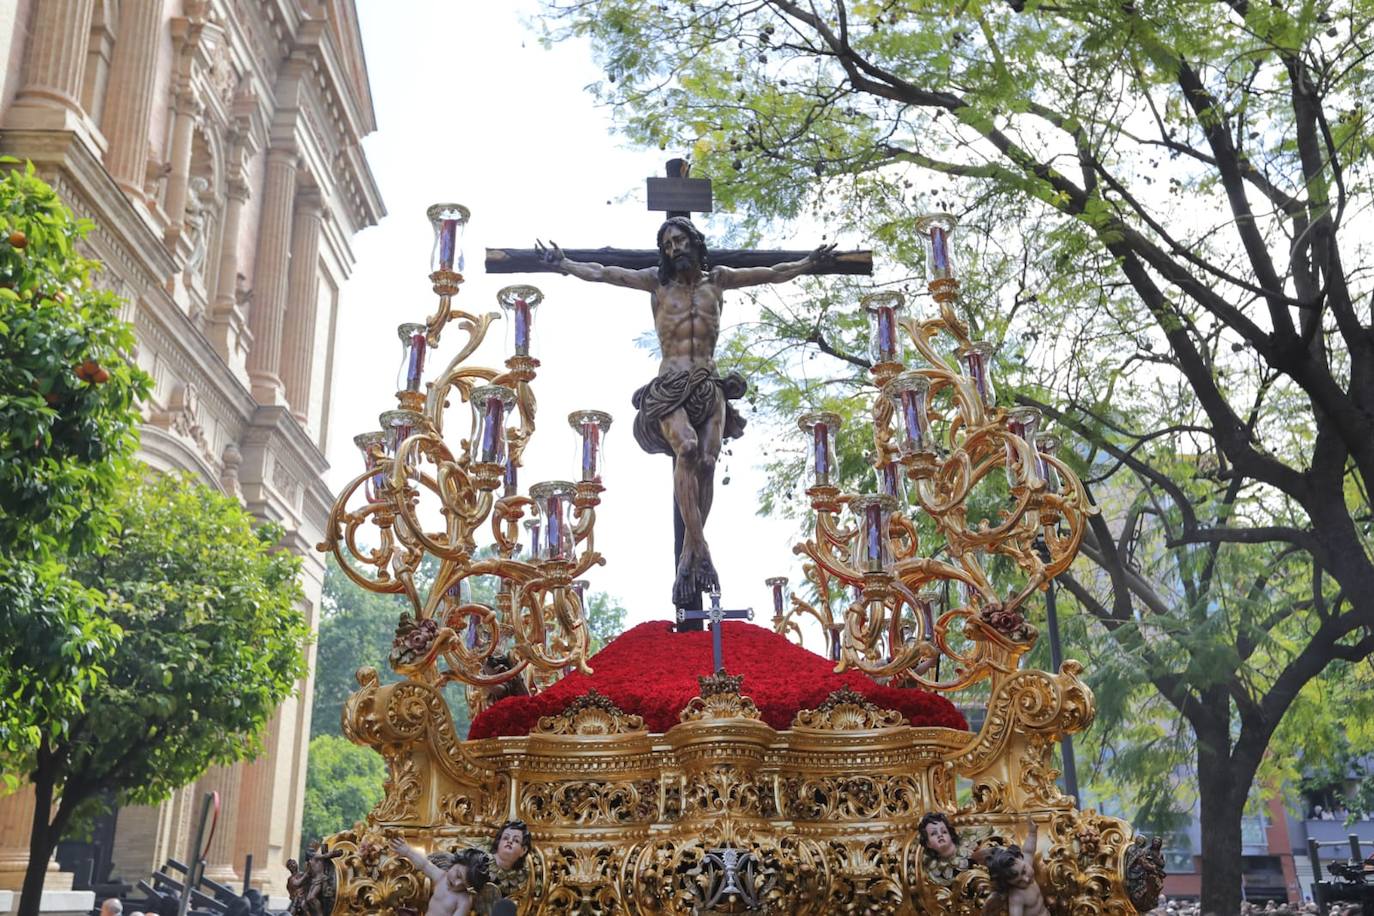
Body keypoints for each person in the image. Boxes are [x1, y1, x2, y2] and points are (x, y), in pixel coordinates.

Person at [539, 221, 834, 607]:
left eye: (679, 241)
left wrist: (808, 263)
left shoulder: (719, 280)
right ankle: (700, 549)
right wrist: (565, 264)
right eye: (667, 244)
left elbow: (773, 273)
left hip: (708, 384)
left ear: (694, 242)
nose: (673, 249)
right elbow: (603, 272)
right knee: (689, 448)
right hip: (671, 385)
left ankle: (688, 557)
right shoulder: (656, 284)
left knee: (708, 463)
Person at [392, 837, 491, 916]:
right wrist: (408, 851)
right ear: (455, 863)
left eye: (464, 885)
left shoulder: (464, 900)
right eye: (458, 875)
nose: (457, 883)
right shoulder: (441, 877)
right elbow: (424, 864)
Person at [984, 819, 1047, 916]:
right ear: (1008, 883)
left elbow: (1029, 850)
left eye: (1024, 871)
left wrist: (1032, 833)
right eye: (1018, 882)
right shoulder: (1017, 897)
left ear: (1019, 857)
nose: (1026, 879)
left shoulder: (1025, 862)